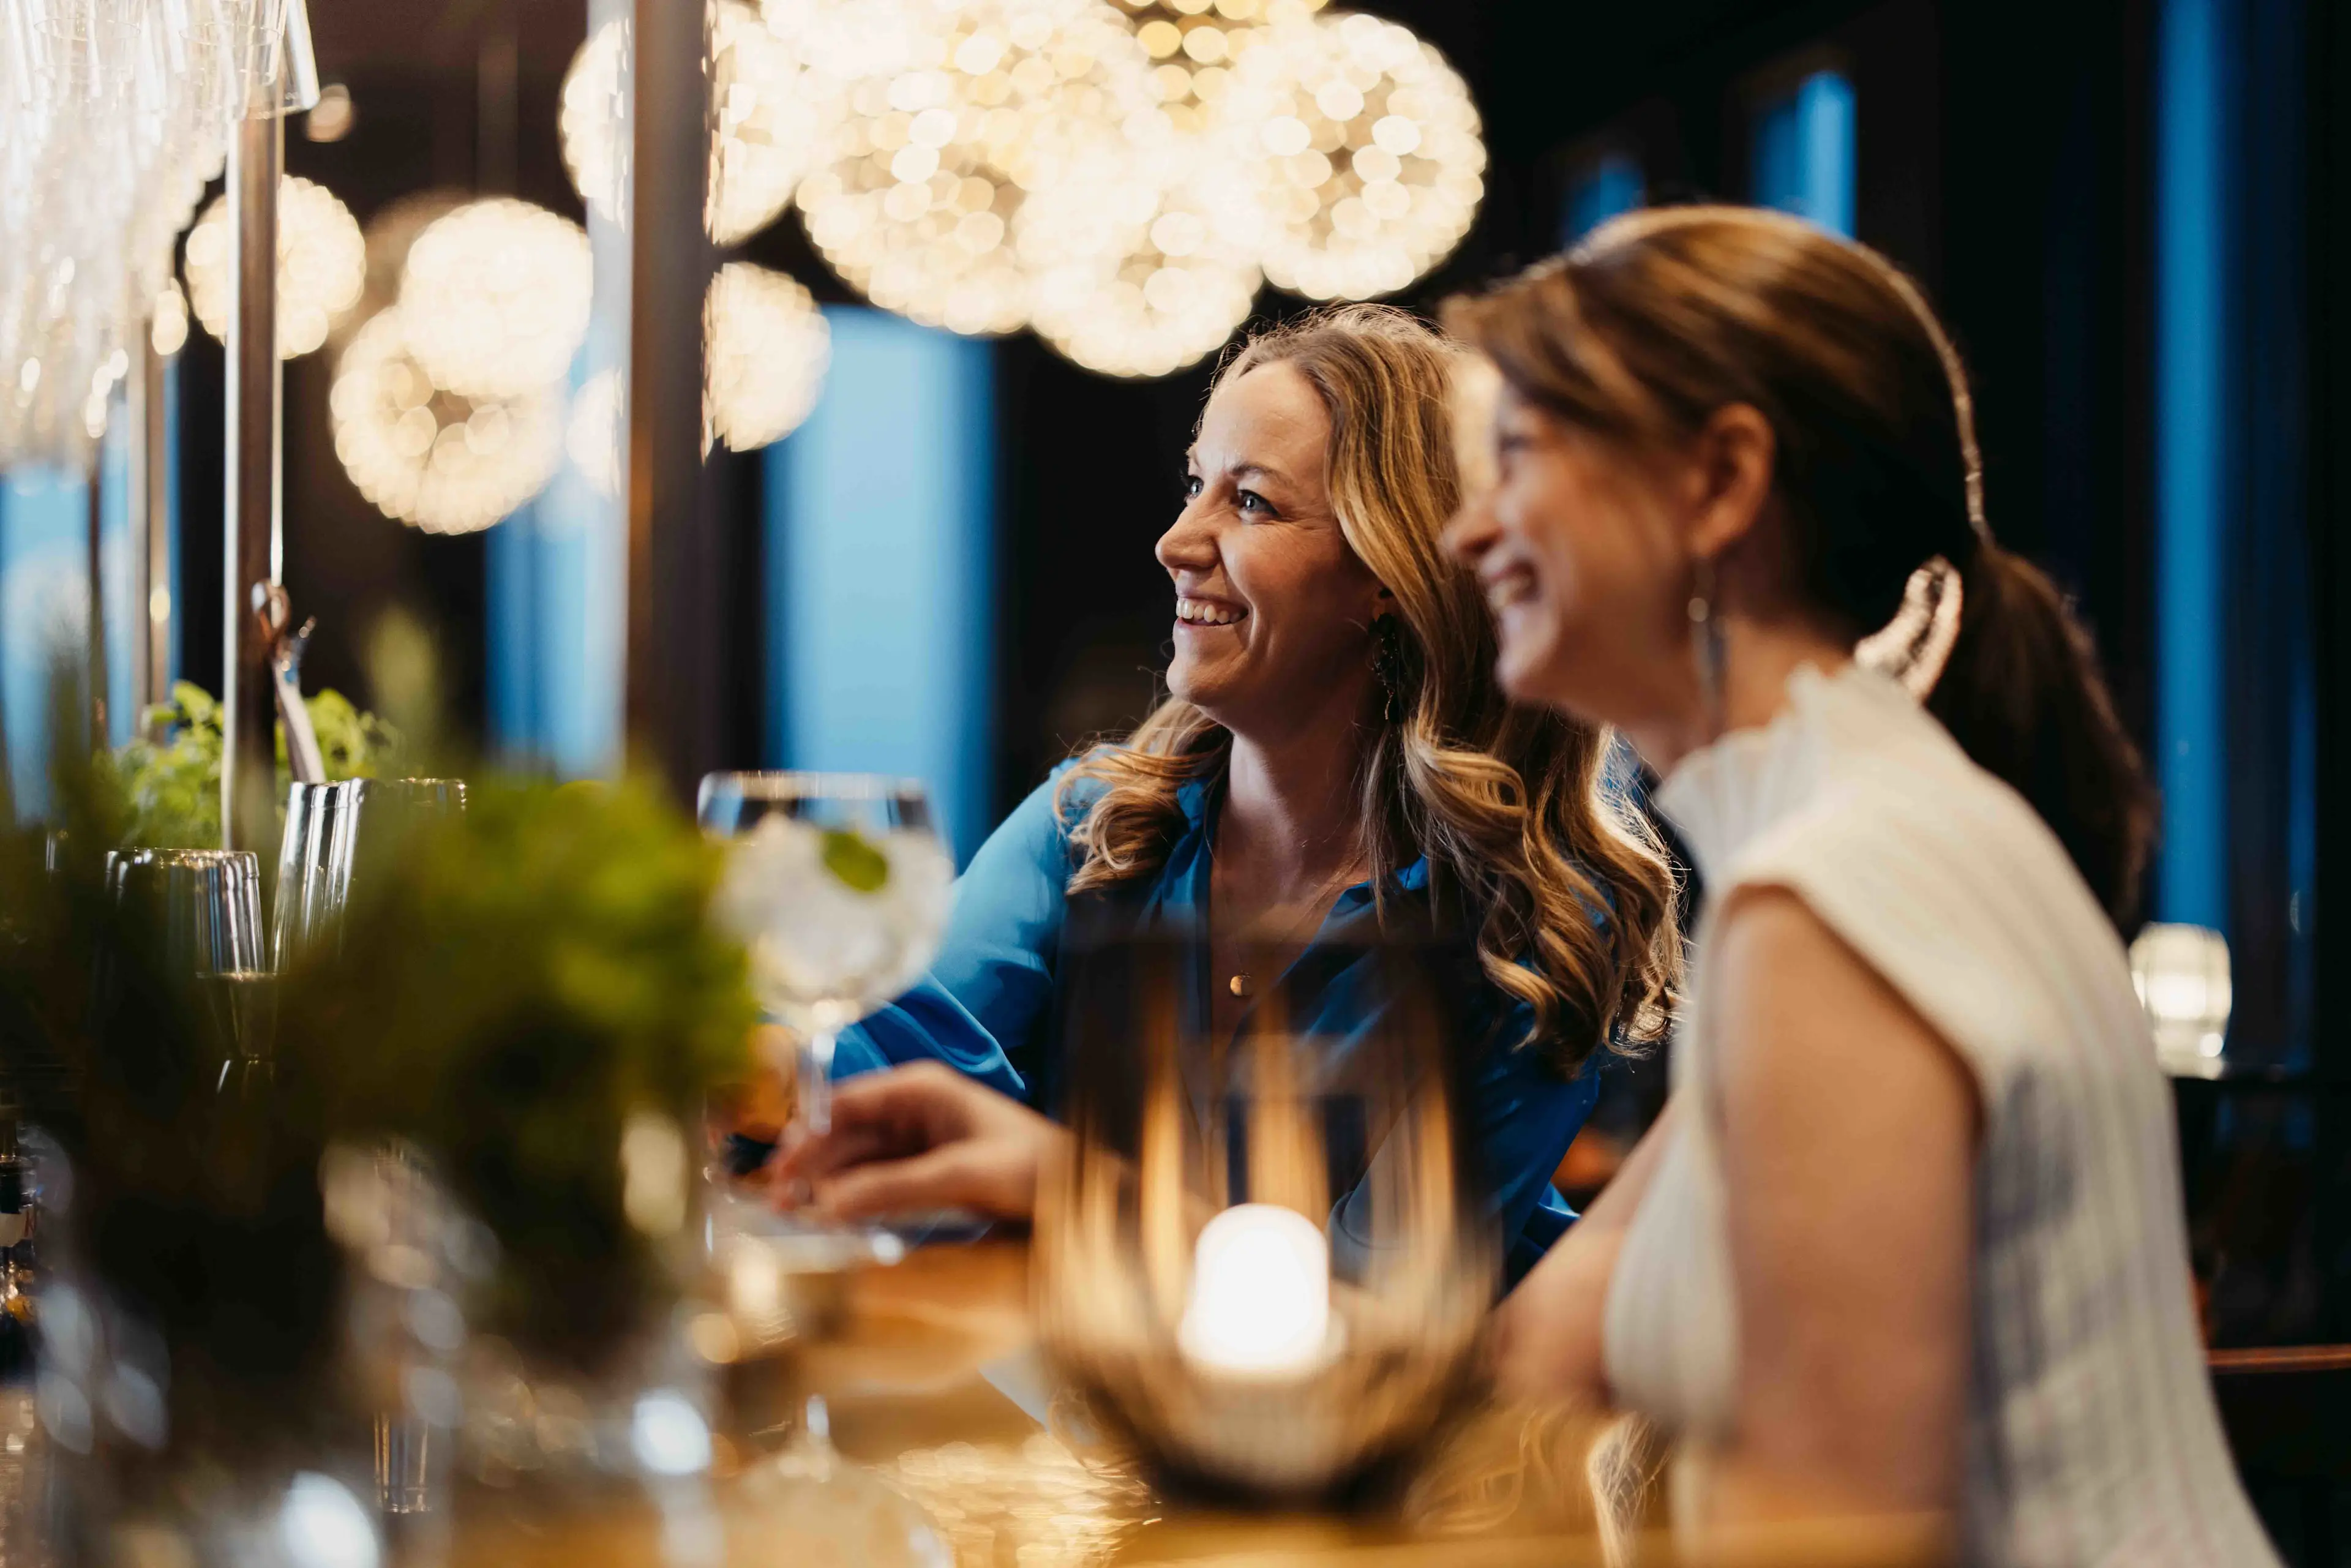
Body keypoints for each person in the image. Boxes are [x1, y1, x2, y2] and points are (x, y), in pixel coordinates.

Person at [1445, 207, 2274, 1562]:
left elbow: (1827, 1538)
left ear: (1718, 483)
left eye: (1520, 458)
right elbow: (1543, 1348)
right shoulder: (1868, 829)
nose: (1473, 528)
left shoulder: (1828, 894)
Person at [771, 304, 1682, 1282]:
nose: (1175, 540)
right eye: (1195, 485)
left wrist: (1064, 1184)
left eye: (1250, 503)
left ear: (1391, 571)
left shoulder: (1527, 936)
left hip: (1406, 1431)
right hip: (1082, 1413)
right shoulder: (1095, 825)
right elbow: (901, 1077)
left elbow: (1371, 1307)